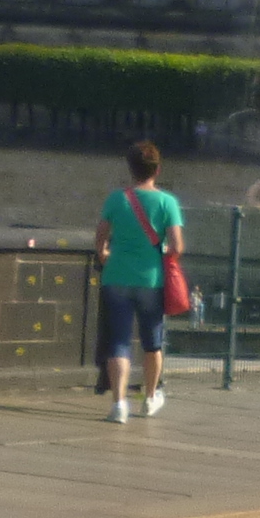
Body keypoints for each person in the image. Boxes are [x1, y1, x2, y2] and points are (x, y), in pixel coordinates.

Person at [93, 139, 183, 423]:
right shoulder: (167, 202)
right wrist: (161, 253)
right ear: (157, 170)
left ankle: (119, 404)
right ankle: (150, 398)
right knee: (152, 343)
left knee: (119, 342)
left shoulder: (117, 199)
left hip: (116, 276)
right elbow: (177, 246)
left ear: (130, 169)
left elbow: (101, 235)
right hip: (151, 279)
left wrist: (103, 253)